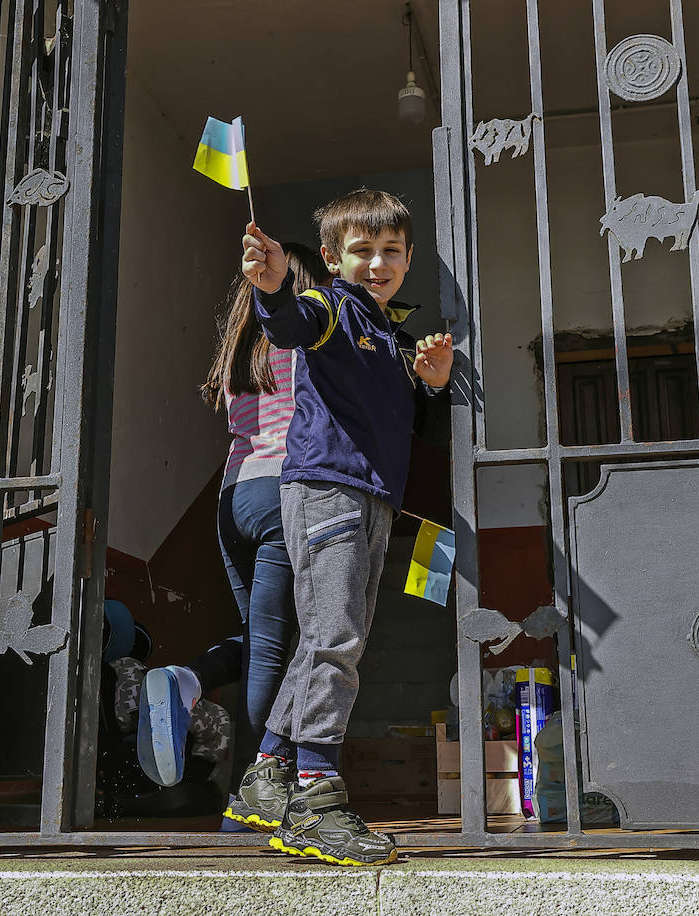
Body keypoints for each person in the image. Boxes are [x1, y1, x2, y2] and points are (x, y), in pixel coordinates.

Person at [229, 189, 452, 866]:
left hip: (371, 499)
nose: (376, 263)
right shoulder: (334, 306)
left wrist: (432, 383)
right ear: (332, 258)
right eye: (362, 250)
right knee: (337, 640)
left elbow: (399, 417)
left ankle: (267, 775)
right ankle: (314, 800)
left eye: (390, 252)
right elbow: (292, 322)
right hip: (327, 491)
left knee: (326, 637)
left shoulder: (389, 332)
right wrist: (271, 291)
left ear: (410, 259)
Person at [133, 245, 329, 829]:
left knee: (262, 640)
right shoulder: (302, 344)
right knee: (275, 651)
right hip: (282, 495)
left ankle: (186, 678)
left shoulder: (240, 349)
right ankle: (249, 805)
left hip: (231, 499)